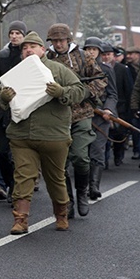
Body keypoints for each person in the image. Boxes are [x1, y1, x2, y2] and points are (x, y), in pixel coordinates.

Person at [0, 31, 86, 233]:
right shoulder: (15, 73)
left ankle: (61, 215)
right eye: (24, 48)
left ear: (43, 50)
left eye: (32, 46)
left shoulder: (58, 70)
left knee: (55, 178)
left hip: (54, 135)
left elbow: (80, 90)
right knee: (23, 177)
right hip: (22, 135)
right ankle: (20, 220)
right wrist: (3, 96)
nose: (28, 50)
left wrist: (61, 92)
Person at [46, 23, 106, 219]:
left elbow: (100, 79)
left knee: (80, 157)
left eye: (61, 40)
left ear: (69, 40)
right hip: (56, 116)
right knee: (59, 164)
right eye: (54, 41)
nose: (58, 44)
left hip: (81, 113)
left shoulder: (83, 57)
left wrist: (85, 92)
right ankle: (67, 200)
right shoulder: (45, 59)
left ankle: (82, 192)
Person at [0, 20, 27, 202]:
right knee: (2, 152)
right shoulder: (2, 55)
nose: (14, 36)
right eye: (12, 33)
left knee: (17, 154)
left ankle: (16, 189)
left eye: (18, 33)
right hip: (3, 112)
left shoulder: (28, 56)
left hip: (22, 110)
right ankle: (9, 182)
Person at [82, 38, 117, 201]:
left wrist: (108, 109)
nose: (90, 52)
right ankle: (82, 187)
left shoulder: (107, 70)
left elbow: (112, 94)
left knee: (97, 152)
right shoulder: (79, 70)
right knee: (81, 154)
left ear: (100, 53)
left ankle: (94, 186)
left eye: (94, 50)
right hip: (81, 115)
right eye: (88, 49)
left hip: (101, 116)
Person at [101, 42, 133, 167]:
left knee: (119, 133)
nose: (106, 57)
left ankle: (118, 155)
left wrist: (130, 108)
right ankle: (104, 159)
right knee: (105, 133)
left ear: (113, 55)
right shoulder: (97, 68)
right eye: (103, 54)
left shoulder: (122, 69)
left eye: (108, 54)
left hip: (120, 106)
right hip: (104, 106)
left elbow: (128, 89)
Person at [125, 46, 140, 160]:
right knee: (134, 126)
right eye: (127, 53)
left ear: (138, 55)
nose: (128, 56)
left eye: (131, 53)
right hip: (131, 100)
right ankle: (137, 149)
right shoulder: (126, 68)